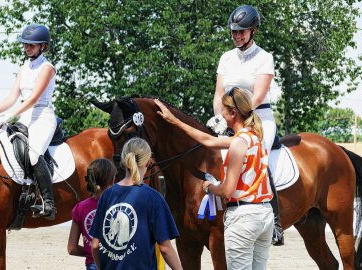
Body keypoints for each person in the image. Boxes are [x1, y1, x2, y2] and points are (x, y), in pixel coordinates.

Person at [155, 87, 274, 269]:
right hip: (265, 216)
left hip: (244, 217)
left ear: (233, 113)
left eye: (224, 112)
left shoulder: (238, 143)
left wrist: (209, 187)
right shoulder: (255, 137)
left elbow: (227, 190)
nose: (222, 116)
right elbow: (209, 140)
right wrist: (175, 121)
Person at [212, 4, 283, 245]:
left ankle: (275, 221)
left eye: (242, 32)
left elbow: (258, 96)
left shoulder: (264, 58)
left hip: (259, 118)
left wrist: (236, 118)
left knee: (260, 157)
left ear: (254, 31)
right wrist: (221, 119)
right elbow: (218, 93)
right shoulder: (226, 57)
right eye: (234, 32)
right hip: (228, 117)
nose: (237, 36)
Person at [0, 24, 57, 220]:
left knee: (34, 154)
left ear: (43, 46)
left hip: (42, 116)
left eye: (32, 45)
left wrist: (9, 116)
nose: (27, 48)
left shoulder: (47, 68)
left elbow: (33, 99)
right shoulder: (24, 68)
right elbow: (12, 96)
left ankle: (49, 203)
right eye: (26, 44)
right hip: (25, 116)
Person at [89, 138, 183, 270]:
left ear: (123, 161)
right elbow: (165, 248)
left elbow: (95, 245)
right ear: (148, 162)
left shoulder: (106, 195)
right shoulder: (153, 197)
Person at [68, 158, 117, 270]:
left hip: (93, 264)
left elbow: (72, 248)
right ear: (112, 180)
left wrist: (91, 252)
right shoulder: (119, 203)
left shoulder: (80, 208)